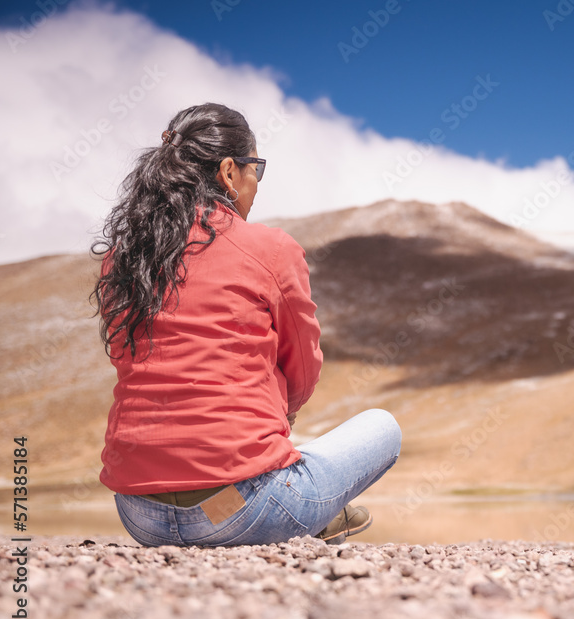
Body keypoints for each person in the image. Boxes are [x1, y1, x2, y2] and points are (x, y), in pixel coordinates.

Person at [91, 102, 401, 547]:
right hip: (236, 509)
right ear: (229, 172)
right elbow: (303, 368)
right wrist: (281, 413)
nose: (256, 183)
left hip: (139, 514)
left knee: (277, 458)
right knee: (382, 426)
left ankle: (302, 513)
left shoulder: (124, 258)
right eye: (256, 167)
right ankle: (307, 516)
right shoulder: (269, 247)